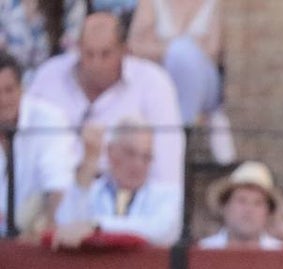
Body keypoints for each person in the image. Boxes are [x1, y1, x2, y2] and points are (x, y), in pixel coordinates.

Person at [26, 10, 184, 187]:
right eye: (89, 54)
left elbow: (167, 167)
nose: (96, 64)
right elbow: (25, 148)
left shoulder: (153, 83)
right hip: (53, 193)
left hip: (126, 195)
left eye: (105, 54)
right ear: (78, 49)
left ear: (124, 51)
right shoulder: (48, 77)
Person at [127, 0, 234, 164]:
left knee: (184, 54)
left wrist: (173, 49)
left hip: (202, 83)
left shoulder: (212, 3)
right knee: (180, 52)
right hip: (162, 79)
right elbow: (135, 46)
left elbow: (212, 50)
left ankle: (181, 131)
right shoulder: (150, 3)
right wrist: (173, 51)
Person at [52, 116, 180, 246]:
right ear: (110, 151)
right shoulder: (90, 191)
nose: (138, 164)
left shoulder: (168, 196)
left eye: (146, 157)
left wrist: (97, 226)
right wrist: (89, 163)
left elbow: (159, 230)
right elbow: (66, 226)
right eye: (130, 153)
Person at [0, 48, 76, 235]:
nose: (2, 100)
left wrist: (46, 225)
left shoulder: (49, 119)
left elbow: (57, 184)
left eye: (8, 90)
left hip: (33, 233)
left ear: (22, 89)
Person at [199, 159, 283, 249]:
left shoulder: (281, 253)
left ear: (268, 212)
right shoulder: (203, 250)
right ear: (225, 206)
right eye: (242, 201)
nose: (249, 209)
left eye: (258, 203)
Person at [0, 0, 85, 73]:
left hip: (54, 79)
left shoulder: (70, 3)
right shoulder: (5, 4)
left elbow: (72, 55)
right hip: (11, 81)